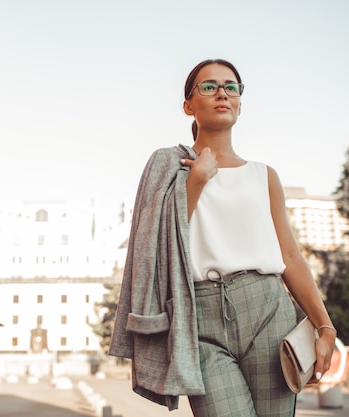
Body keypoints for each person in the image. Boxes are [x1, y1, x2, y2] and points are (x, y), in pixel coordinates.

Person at [108, 59, 336, 417]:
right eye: (208, 86)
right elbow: (155, 245)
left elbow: (290, 257)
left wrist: (324, 325)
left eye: (231, 87)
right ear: (188, 105)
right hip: (199, 317)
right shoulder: (169, 166)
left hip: (268, 311)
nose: (221, 94)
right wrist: (195, 181)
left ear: (240, 103)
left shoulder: (264, 175)